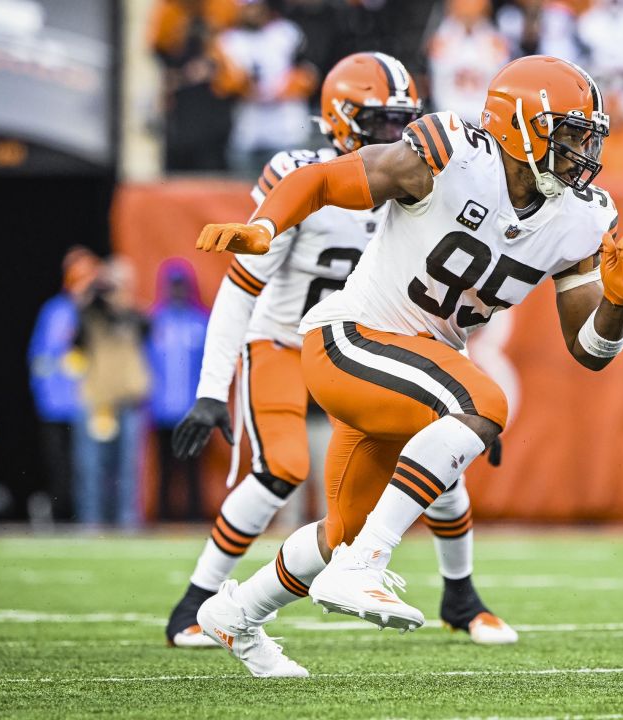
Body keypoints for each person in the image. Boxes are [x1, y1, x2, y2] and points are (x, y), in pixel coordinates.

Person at [191, 55, 623, 677]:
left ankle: (234, 616)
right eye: (569, 133)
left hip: (409, 367)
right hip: (350, 339)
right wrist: (266, 226)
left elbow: (590, 351)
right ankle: (368, 567)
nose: (582, 150)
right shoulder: (451, 153)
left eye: (585, 136)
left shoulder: (583, 216)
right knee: (484, 404)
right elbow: (327, 180)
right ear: (519, 125)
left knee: (340, 532)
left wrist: (618, 305)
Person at [161, 52, 520, 652]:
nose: (396, 135)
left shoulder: (422, 175)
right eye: (381, 123)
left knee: (440, 452)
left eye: (402, 120)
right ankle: (194, 605)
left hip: (373, 341)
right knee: (281, 467)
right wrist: (209, 390)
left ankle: (462, 597)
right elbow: (240, 284)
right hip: (283, 340)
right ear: (341, 117)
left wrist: (462, 394)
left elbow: (445, 301)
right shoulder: (301, 171)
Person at [71, 259, 153, 526]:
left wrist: (122, 298)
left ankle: (128, 523)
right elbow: (79, 327)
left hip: (129, 401)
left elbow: (146, 326)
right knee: (93, 467)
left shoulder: (133, 314)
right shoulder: (91, 314)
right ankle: (91, 522)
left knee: (128, 468)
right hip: (98, 402)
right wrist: (96, 289)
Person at [27, 247, 100, 522]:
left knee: (87, 466)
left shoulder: (95, 313)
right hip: (57, 404)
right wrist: (44, 394)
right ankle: (59, 517)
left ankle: (85, 518)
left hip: (87, 403)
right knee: (59, 466)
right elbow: (41, 357)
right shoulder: (56, 311)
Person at [218, 0, 318, 175]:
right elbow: (222, 86)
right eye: (248, 8)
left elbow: (310, 73)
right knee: (246, 194)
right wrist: (242, 88)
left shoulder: (286, 33)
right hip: (248, 132)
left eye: (257, 7)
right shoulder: (228, 41)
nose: (253, 12)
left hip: (287, 129)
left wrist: (282, 89)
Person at [148, 0, 245, 172]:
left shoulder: (224, 11)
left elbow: (237, 71)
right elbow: (161, 51)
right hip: (182, 113)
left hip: (214, 113)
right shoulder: (171, 11)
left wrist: (213, 65)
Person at [147, 259, 210, 521]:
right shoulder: (154, 321)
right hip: (161, 409)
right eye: (173, 285)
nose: (177, 290)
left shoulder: (201, 321)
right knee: (165, 468)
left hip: (192, 409)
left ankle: (194, 518)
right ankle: (163, 518)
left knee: (194, 469)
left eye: (181, 285)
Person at [426, 0, 510, 119]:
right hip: (448, 116)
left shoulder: (495, 40)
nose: (468, 6)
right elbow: (441, 71)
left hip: (484, 119)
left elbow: (497, 76)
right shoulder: (441, 38)